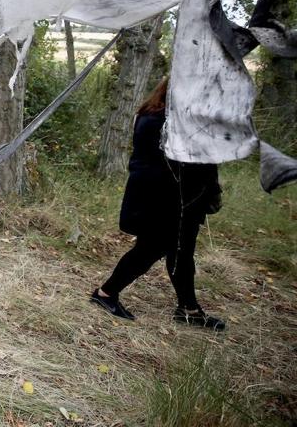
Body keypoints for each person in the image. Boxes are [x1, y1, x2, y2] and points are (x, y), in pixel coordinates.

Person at [91, 77, 226, 331]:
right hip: (163, 200)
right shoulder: (162, 122)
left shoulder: (157, 115)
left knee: (181, 253)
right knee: (149, 250)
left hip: (172, 198)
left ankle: (189, 309)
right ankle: (106, 293)